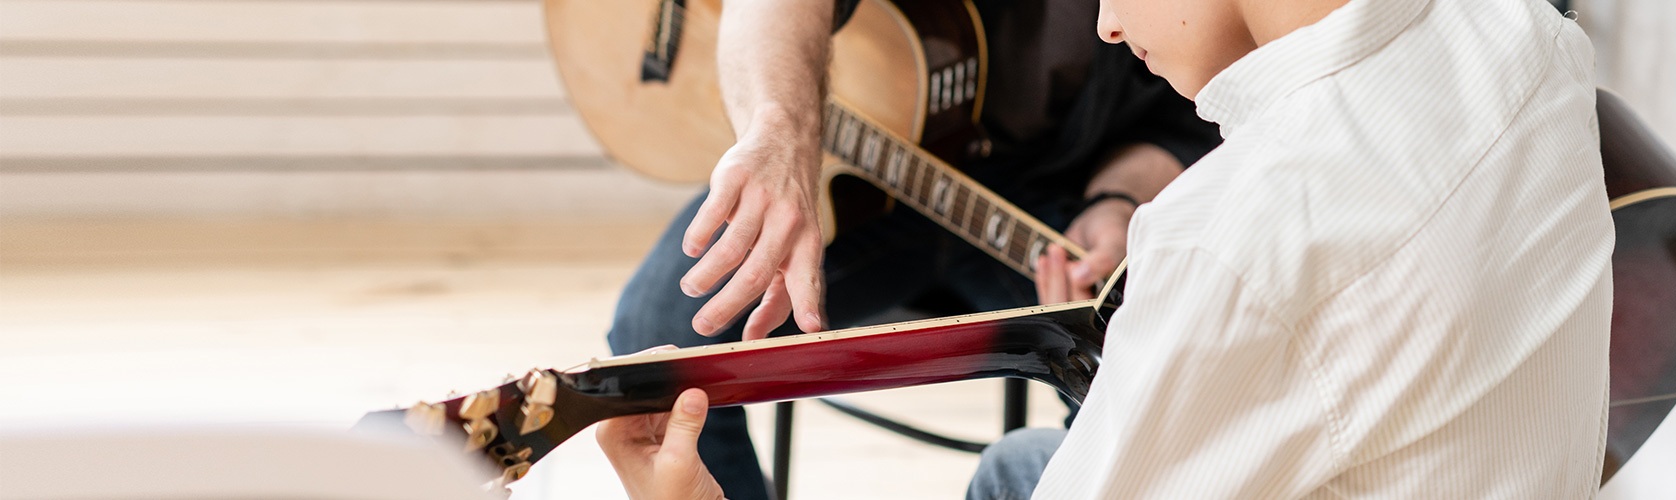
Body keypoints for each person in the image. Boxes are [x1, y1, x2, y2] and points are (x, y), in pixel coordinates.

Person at [602, 0, 1616, 497]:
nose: (1103, 17)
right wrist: (781, 129)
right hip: (892, 181)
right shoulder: (1527, 37)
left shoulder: (1225, 246)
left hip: (1099, 198)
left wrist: (1127, 202)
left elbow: (1240, 234)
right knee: (1012, 464)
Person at [603, 0, 1222, 498]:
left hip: (1051, 191)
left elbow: (1180, 118)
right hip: (847, 182)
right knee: (655, 334)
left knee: (1131, 351)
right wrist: (780, 128)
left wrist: (1118, 198)